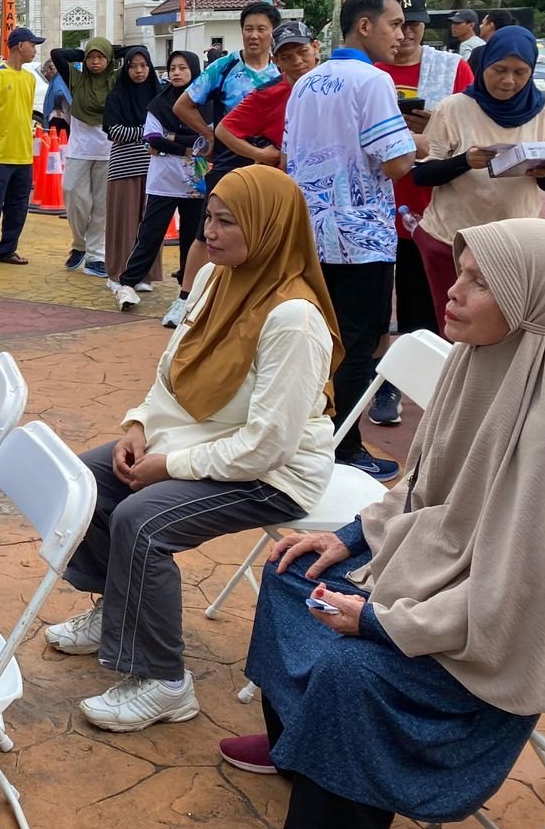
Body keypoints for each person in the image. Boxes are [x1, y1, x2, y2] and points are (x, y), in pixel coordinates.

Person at [228, 219, 545, 829]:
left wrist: (384, 625)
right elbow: (421, 490)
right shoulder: (475, 368)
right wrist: (351, 538)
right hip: (443, 581)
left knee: (351, 674)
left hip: (498, 637)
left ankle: (327, 819)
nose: (452, 289)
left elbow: (522, 595)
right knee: (289, 576)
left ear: (528, 301)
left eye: (479, 281)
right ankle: (299, 751)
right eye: (461, 271)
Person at [45, 167, 340, 733]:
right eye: (209, 216)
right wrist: (138, 427)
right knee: (91, 476)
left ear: (271, 229)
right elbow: (171, 373)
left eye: (228, 222)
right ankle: (115, 607)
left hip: (273, 474)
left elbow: (268, 446)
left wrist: (168, 465)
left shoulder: (294, 320)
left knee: (142, 521)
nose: (209, 232)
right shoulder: (213, 280)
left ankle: (164, 682)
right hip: (200, 440)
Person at [283, 0, 419, 481]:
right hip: (361, 240)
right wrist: (415, 142)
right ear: (364, 27)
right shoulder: (374, 81)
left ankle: (311, 439)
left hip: (311, 235)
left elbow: (289, 154)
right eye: (395, 24)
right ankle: (344, 449)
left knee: (318, 342)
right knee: (359, 346)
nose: (401, 34)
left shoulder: (306, 82)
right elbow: (396, 161)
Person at [411, 26, 545, 331]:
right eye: (499, 69)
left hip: (514, 243)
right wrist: (464, 161)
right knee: (454, 331)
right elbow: (422, 174)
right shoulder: (454, 108)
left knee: (506, 329)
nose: (508, 80)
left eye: (520, 72)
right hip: (452, 242)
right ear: (484, 64)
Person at [367, 0, 474, 427]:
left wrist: (435, 128)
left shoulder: (453, 70)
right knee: (373, 307)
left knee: (422, 306)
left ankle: (428, 387)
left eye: (414, 24)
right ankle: (383, 382)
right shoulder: (367, 72)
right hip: (372, 207)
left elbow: (471, 132)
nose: (406, 33)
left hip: (429, 210)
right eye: (398, 24)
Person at [164, 1, 285, 328]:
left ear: (272, 33)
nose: (254, 36)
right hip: (230, 156)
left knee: (262, 228)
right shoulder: (225, 67)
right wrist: (209, 134)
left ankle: (251, 297)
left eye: (261, 29)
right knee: (209, 229)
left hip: (272, 159)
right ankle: (184, 298)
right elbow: (183, 105)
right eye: (249, 29)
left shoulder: (282, 71)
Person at [115, 50, 205, 309]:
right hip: (163, 181)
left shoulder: (206, 102)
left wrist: (173, 140)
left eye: (183, 68)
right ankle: (128, 284)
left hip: (196, 183)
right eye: (173, 68)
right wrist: (189, 145)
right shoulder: (158, 104)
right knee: (150, 234)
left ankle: (187, 289)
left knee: (193, 236)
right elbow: (152, 139)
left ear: (194, 71)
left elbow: (210, 139)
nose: (176, 73)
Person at [47, 40, 118, 278]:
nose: (95, 63)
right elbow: (57, 54)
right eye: (91, 58)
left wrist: (111, 49)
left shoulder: (116, 80)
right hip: (79, 149)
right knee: (73, 194)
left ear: (109, 60)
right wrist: (85, 51)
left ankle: (96, 254)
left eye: (101, 57)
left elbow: (140, 54)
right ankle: (80, 244)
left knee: (102, 205)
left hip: (108, 150)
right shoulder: (75, 79)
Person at [0, 26, 43, 274]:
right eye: (32, 45)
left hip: (23, 153)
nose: (35, 49)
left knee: (18, 205)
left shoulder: (29, 78)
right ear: (19, 46)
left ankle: (7, 249)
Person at [211, 21, 320, 172]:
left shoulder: (336, 82)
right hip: (286, 184)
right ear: (276, 61)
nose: (297, 61)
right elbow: (223, 131)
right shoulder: (267, 94)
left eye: (303, 51)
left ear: (315, 47)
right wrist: (261, 154)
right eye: (286, 57)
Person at [103, 44, 161, 306]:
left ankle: (145, 273)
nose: (139, 71)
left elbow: (164, 130)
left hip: (154, 168)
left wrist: (142, 133)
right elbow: (115, 132)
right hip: (124, 167)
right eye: (133, 66)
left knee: (149, 222)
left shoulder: (159, 96)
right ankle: (117, 272)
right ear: (125, 69)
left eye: (143, 65)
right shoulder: (116, 97)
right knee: (123, 221)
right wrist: (147, 133)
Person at [41, 53, 71, 138]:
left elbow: (59, 93)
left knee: (57, 144)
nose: (47, 73)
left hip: (59, 118)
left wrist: (57, 105)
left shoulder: (58, 79)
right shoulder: (58, 79)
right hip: (61, 118)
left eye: (50, 68)